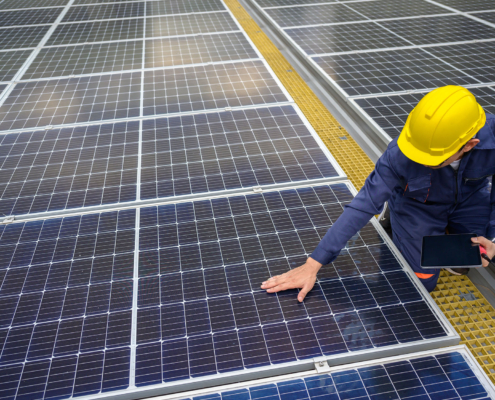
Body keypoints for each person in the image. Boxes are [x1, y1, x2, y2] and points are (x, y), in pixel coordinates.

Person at [261, 85, 495, 300]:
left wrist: (493, 237)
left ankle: (447, 232)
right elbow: (362, 205)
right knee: (424, 283)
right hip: (419, 205)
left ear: (469, 145)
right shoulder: (400, 153)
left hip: (469, 200)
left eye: (431, 160)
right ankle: (395, 216)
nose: (420, 161)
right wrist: (313, 263)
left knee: (469, 259)